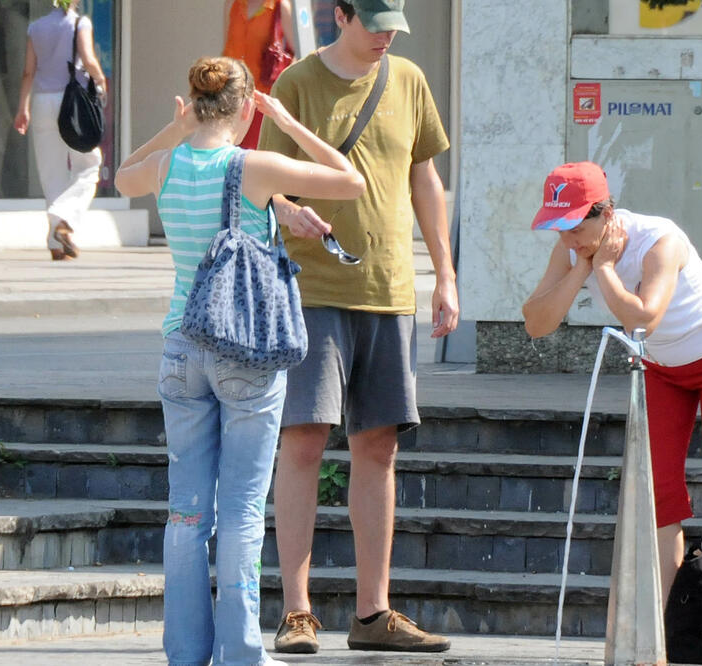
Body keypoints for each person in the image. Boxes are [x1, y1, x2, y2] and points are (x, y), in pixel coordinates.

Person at [114, 56, 364, 666]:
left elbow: (121, 174)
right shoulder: (255, 166)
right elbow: (350, 180)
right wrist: (287, 120)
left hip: (180, 345)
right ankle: (240, 654)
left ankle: (185, 654)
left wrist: (176, 128)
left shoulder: (165, 166)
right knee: (244, 508)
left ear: (195, 103)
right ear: (247, 106)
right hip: (245, 350)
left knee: (186, 510)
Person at [257, 0, 458, 655]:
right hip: (312, 290)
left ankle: (373, 612)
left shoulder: (409, 81)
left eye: (392, 27)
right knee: (304, 441)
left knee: (379, 448)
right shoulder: (297, 84)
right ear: (339, 14)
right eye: (373, 24)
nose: (384, 38)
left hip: (390, 290)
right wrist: (288, 213)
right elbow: (261, 185)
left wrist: (445, 276)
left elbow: (425, 179)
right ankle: (296, 611)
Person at [522, 162, 702, 666]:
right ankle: (651, 635)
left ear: (606, 212)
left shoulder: (660, 239)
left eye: (576, 224)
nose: (568, 235)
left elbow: (643, 315)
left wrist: (607, 268)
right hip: (664, 368)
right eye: (559, 225)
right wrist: (580, 266)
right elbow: (536, 323)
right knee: (658, 492)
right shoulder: (576, 249)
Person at [14, 0, 106, 261]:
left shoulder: (36, 27)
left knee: (50, 171)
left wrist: (23, 107)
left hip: (42, 101)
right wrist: (100, 82)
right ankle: (64, 219)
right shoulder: (80, 22)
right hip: (72, 103)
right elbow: (88, 59)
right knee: (89, 164)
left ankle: (55, 242)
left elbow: (27, 72)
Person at [223, 0, 297, 148]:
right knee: (229, 154)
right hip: (231, 96)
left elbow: (297, 54)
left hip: (262, 100)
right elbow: (228, 48)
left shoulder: (280, 6)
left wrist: (282, 87)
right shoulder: (232, 4)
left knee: (255, 153)